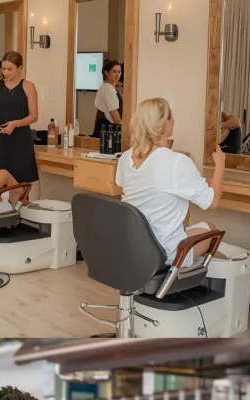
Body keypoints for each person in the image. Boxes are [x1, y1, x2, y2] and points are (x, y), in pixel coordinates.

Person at [115, 98, 229, 266]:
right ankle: (230, 278)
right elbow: (213, 202)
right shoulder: (176, 162)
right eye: (170, 117)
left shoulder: (126, 157)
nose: (173, 120)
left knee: (185, 218)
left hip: (132, 246)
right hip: (163, 251)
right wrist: (220, 164)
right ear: (162, 126)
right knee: (211, 229)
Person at [0, 51, 39, 185]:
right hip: (1, 139)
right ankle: (4, 205)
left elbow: (34, 115)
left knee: (21, 181)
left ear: (20, 68)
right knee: (1, 179)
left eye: (10, 69)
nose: (5, 72)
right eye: (3, 68)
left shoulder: (28, 87)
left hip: (21, 139)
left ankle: (21, 204)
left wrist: (15, 124)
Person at [94, 60, 123, 138]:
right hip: (107, 130)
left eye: (119, 71)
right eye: (114, 72)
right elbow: (115, 118)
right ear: (106, 72)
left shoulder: (106, 87)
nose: (117, 75)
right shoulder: (108, 88)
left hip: (105, 128)